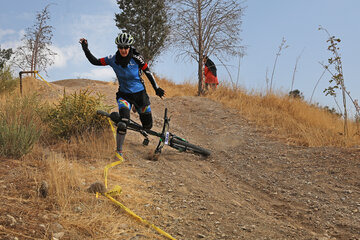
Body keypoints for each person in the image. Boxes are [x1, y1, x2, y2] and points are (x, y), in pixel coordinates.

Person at [79, 32, 165, 158]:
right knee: (123, 122)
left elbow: (148, 72)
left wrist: (156, 88)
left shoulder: (137, 58)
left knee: (148, 126)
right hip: (124, 95)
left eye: (126, 47)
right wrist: (85, 48)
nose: (123, 50)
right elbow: (95, 61)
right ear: (117, 47)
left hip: (140, 94)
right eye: (121, 47)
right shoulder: (112, 59)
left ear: (130, 47)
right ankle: (119, 152)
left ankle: (136, 107)